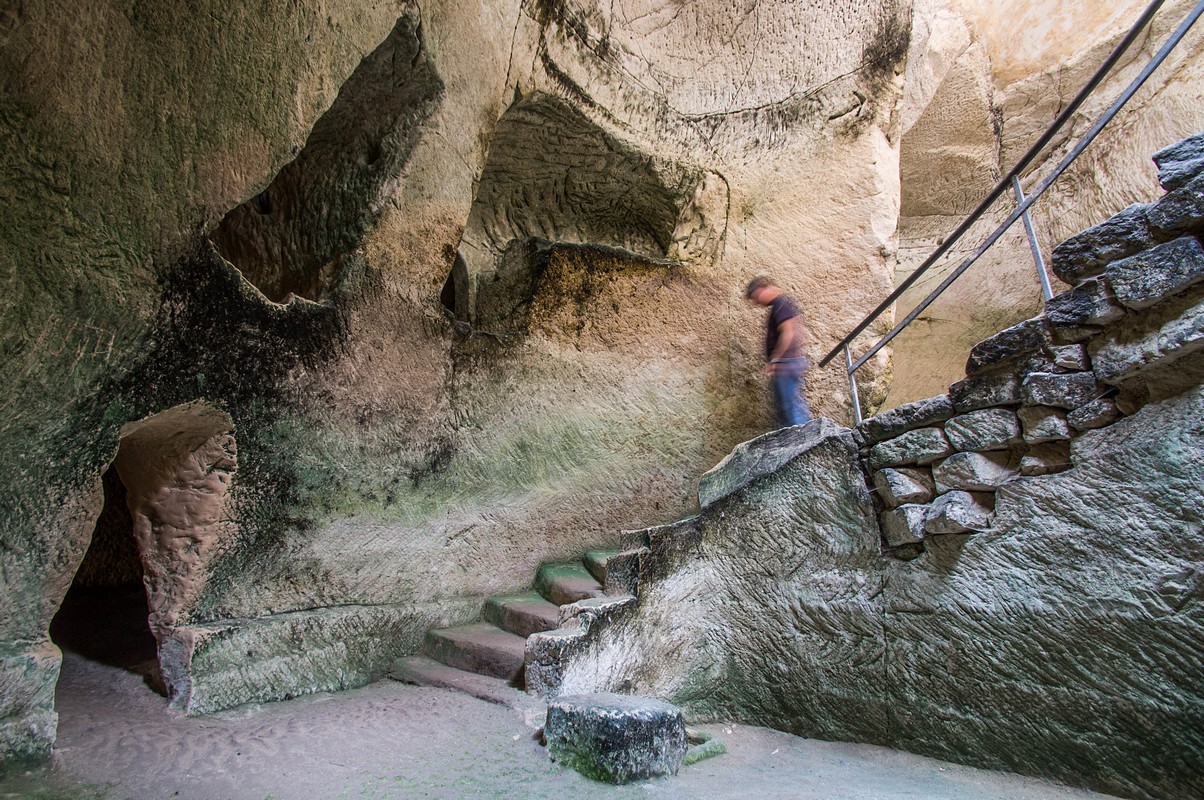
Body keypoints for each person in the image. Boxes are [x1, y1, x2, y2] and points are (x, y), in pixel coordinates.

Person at [745, 276, 813, 427]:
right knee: (789, 408)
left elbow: (788, 332)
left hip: (786, 364)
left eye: (757, 297)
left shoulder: (781, 304)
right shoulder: (780, 305)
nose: (757, 302)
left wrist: (775, 359)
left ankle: (805, 442)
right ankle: (803, 440)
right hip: (788, 363)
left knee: (791, 410)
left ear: (765, 288)